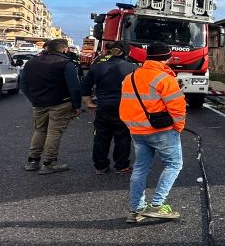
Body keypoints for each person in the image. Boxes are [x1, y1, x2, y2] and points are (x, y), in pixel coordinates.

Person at [119, 42, 186, 223]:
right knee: (173, 164)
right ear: (167, 57)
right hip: (162, 131)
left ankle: (135, 210)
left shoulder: (130, 77)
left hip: (137, 130)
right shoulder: (165, 78)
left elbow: (125, 105)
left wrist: (132, 125)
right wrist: (178, 127)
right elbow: (178, 108)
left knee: (140, 168)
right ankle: (156, 206)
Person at [19, 38, 82, 174]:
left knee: (39, 130)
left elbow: (22, 83)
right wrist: (77, 106)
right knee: (54, 132)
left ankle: (32, 161)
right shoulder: (65, 63)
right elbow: (74, 87)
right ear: (64, 49)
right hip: (61, 102)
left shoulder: (31, 62)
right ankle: (49, 163)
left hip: (39, 103)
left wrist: (33, 98)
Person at [81, 41, 137, 175]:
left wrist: (88, 103)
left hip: (103, 107)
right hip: (124, 107)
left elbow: (85, 86)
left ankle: (100, 166)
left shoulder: (97, 67)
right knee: (122, 136)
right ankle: (121, 165)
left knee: (101, 137)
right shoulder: (132, 68)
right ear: (126, 52)